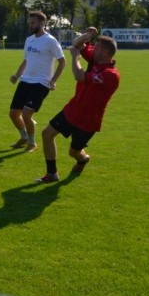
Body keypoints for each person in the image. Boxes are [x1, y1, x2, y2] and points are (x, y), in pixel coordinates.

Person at [37, 27, 120, 183]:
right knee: (46, 134)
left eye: (97, 48)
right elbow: (76, 45)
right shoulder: (95, 59)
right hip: (72, 109)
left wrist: (75, 58)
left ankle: (82, 160)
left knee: (74, 152)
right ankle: (52, 174)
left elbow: (79, 76)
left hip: (88, 119)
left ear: (105, 54)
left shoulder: (111, 75)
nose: (93, 49)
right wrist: (88, 35)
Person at [8, 11, 67, 152]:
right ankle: (24, 137)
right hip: (25, 80)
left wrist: (53, 81)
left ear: (42, 23)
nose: (31, 25)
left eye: (33, 22)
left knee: (27, 114)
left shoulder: (50, 41)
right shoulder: (29, 40)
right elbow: (26, 60)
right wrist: (17, 75)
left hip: (41, 83)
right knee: (13, 114)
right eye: (30, 22)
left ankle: (32, 143)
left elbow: (62, 62)